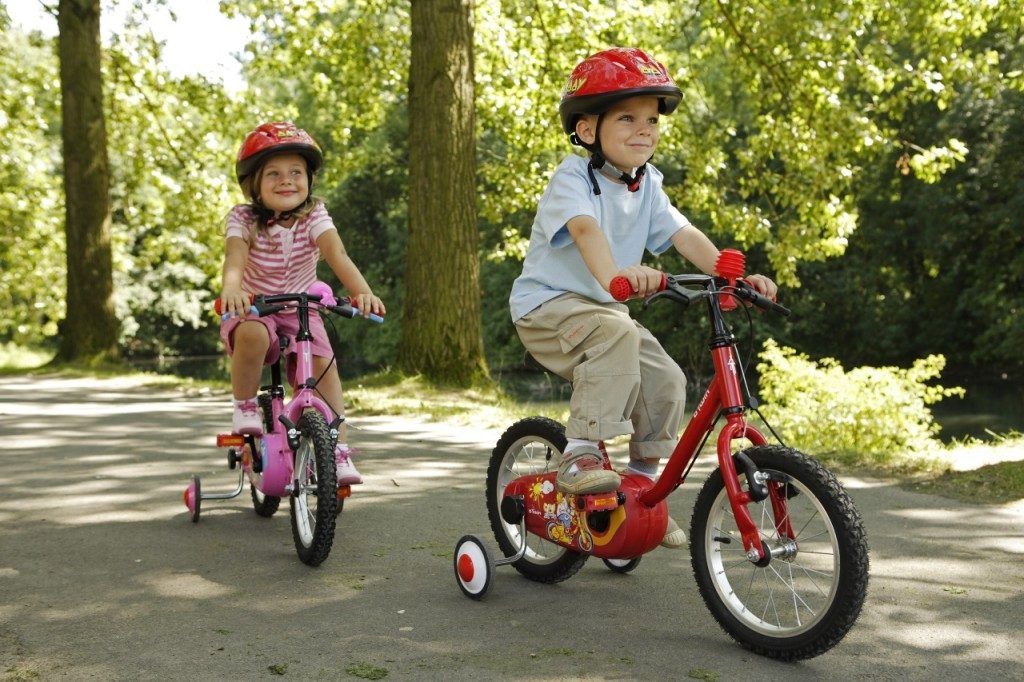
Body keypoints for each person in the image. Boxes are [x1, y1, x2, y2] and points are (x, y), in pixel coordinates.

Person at [509, 48, 778, 548]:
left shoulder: (648, 183)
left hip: (605, 314)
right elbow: (586, 231)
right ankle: (581, 452)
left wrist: (730, 276)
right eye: (628, 117)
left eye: (652, 119)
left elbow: (683, 234)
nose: (644, 129)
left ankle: (641, 486)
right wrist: (619, 277)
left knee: (666, 378)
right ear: (588, 131)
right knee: (616, 330)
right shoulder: (573, 177)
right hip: (547, 308)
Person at [219, 121, 385, 486]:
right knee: (253, 334)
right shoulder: (243, 218)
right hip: (255, 307)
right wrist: (232, 290)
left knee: (324, 365)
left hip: (300, 307)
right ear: (254, 185)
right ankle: (245, 405)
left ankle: (337, 449)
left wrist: (363, 291)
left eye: (296, 172)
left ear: (309, 179)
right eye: (274, 174)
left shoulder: (315, 215)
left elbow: (336, 253)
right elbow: (235, 258)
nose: (287, 180)